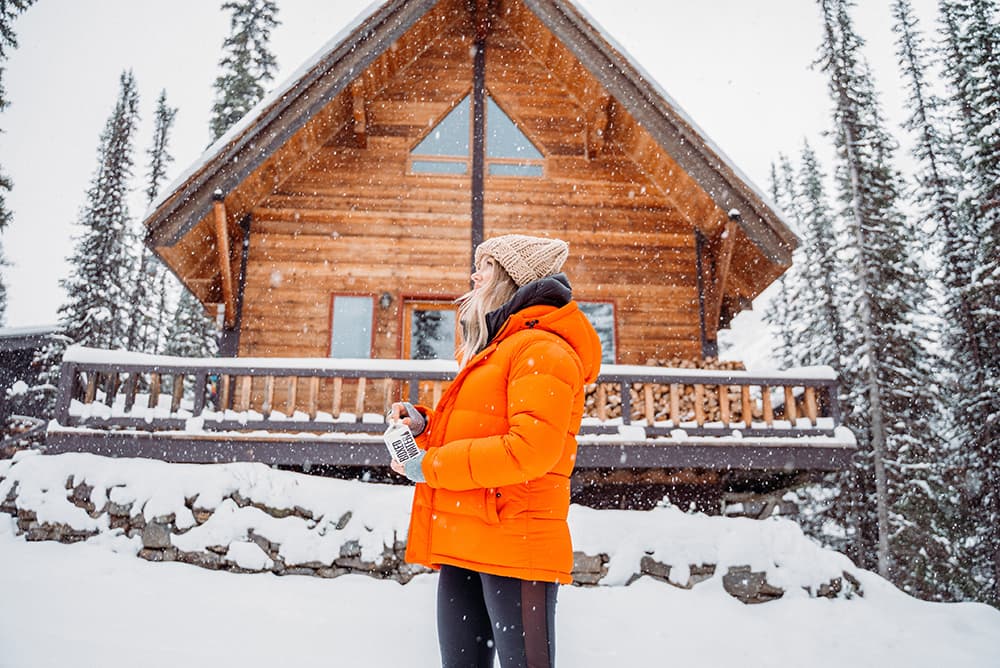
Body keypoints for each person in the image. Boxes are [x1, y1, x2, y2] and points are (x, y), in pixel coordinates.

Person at [389, 234, 602, 668]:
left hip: (517, 543)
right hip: (470, 537)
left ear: (510, 277)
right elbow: (484, 425)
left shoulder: (543, 349)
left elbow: (529, 450)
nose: (474, 275)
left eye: (485, 266)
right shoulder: (499, 347)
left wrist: (429, 466)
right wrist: (427, 426)